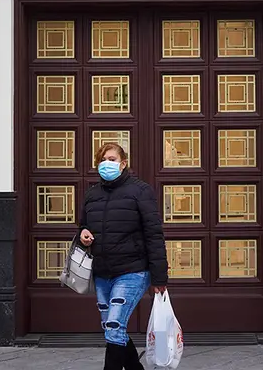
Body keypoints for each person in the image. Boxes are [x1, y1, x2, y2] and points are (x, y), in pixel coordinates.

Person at [79, 142, 168, 370]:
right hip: (102, 272)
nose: (106, 164)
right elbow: (83, 226)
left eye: (111, 159)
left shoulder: (140, 190)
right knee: (112, 327)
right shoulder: (92, 193)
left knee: (115, 325)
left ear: (123, 163)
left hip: (132, 270)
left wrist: (159, 278)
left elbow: (154, 234)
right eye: (102, 160)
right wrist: (83, 234)